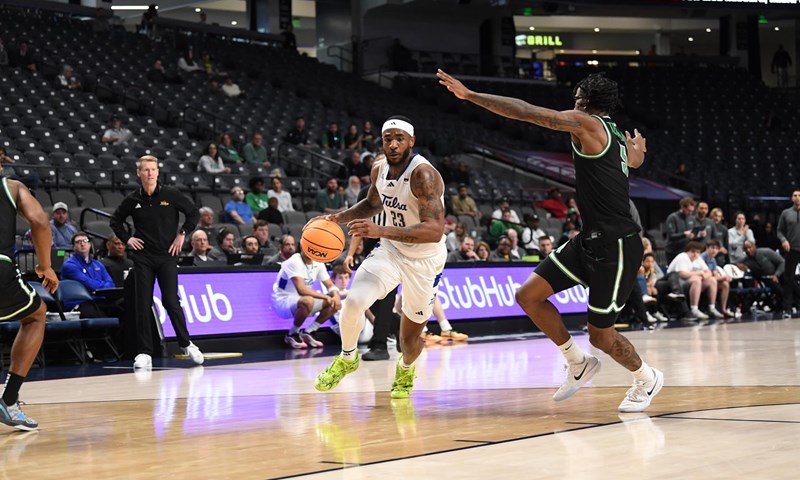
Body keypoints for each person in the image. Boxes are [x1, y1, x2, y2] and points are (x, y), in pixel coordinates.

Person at [438, 69, 663, 412]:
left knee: (601, 335)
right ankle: (577, 361)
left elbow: (526, 111)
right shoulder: (613, 135)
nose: (572, 103)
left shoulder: (587, 124)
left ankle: (646, 377)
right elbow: (630, 161)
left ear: (585, 101)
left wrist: (471, 96)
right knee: (528, 295)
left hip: (617, 244)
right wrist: (638, 156)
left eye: (576, 97)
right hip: (590, 238)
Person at [314, 115, 448, 400]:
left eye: (400, 138)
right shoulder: (379, 169)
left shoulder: (423, 175)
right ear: (382, 142)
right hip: (390, 250)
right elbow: (372, 204)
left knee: (408, 340)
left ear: (411, 141)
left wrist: (380, 229)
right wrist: (337, 218)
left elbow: (434, 230)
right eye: (389, 139)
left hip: (425, 259)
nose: (394, 144)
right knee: (354, 302)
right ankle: (348, 357)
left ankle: (407, 367)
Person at [110, 156, 204, 370]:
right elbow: (115, 221)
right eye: (146, 170)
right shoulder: (133, 199)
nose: (150, 173)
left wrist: (182, 234)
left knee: (171, 300)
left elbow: (193, 212)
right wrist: (128, 239)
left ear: (157, 172)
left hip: (167, 256)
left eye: (153, 169)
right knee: (142, 303)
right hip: (143, 257)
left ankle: (186, 343)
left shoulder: (171, 194)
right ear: (139, 173)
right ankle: (144, 352)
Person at [0, 170, 59, 431]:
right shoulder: (11, 187)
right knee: (36, 314)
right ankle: (9, 400)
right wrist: (45, 266)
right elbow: (40, 221)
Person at [273, 249, 342, 349]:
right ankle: (292, 334)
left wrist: (336, 296)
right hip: (283, 301)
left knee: (334, 301)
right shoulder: (294, 261)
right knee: (308, 300)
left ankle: (310, 331)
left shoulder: (318, 263)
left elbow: (330, 285)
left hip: (302, 299)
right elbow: (301, 290)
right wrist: (325, 296)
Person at [60, 231, 121, 318]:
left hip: (99, 301)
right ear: (73, 247)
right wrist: (101, 287)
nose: (82, 244)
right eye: (78, 242)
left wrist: (97, 290)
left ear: (90, 244)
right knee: (97, 314)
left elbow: (111, 284)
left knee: (124, 309)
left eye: (85, 241)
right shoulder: (69, 265)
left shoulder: (98, 264)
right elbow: (88, 283)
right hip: (80, 303)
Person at [777, 190, 800, 318]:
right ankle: (787, 309)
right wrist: (784, 240)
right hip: (792, 249)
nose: (797, 198)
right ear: (792, 198)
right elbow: (779, 231)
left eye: (799, 195)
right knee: (788, 278)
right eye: (795, 195)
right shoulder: (786, 213)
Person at [665, 197, 699, 262]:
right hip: (673, 252)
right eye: (689, 210)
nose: (690, 213)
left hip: (686, 251)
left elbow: (693, 235)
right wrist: (684, 234)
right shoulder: (672, 217)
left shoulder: (692, 218)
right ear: (682, 207)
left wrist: (699, 235)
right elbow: (671, 236)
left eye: (692, 211)